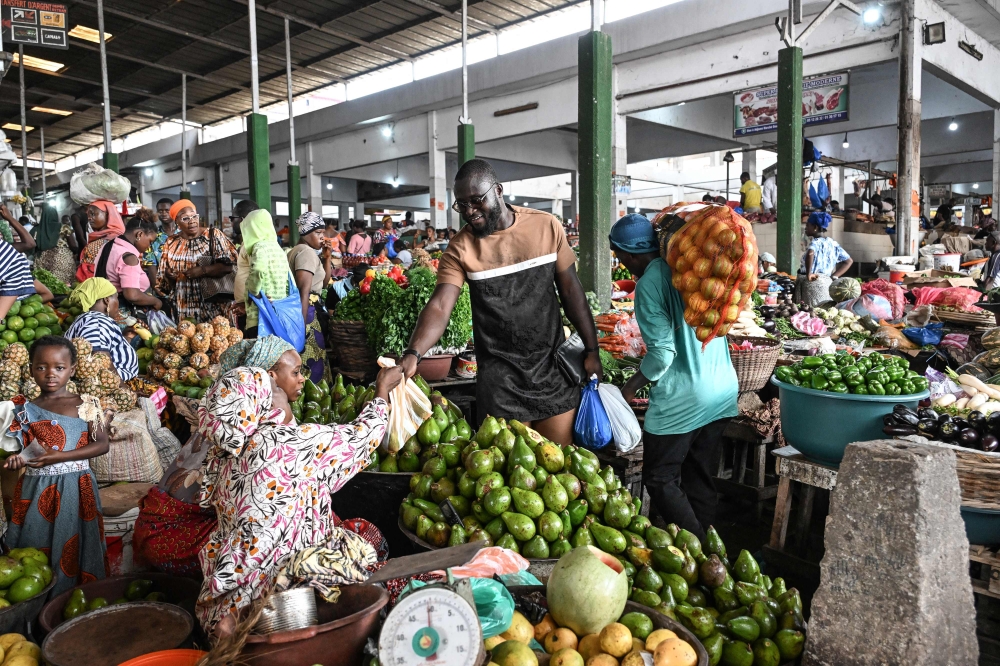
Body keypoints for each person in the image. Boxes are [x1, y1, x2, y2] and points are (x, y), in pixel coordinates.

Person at [399, 158, 601, 446]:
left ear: (498, 191)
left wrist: (592, 349)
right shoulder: (460, 248)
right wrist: (413, 353)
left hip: (553, 372)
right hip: (501, 380)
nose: (470, 211)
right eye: (462, 204)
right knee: (509, 473)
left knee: (560, 466)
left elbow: (572, 292)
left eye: (476, 200)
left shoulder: (546, 227)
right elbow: (440, 306)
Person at [195, 362, 402, 636]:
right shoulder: (282, 445)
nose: (277, 390)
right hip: (281, 596)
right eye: (269, 389)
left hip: (234, 584)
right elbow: (361, 438)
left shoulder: (221, 456)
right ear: (259, 402)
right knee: (366, 551)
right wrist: (382, 390)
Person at [133, 336, 305, 576]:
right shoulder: (267, 414)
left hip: (154, 530)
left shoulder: (228, 409)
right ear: (270, 377)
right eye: (296, 372)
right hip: (173, 539)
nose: (302, 379)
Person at [611, 214, 737, 540]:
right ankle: (711, 553)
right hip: (721, 389)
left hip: (686, 396)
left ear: (630, 253)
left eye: (619, 254)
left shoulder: (649, 284)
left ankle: (699, 552)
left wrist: (629, 388)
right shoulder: (689, 268)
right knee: (700, 477)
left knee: (661, 478)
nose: (621, 262)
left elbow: (663, 354)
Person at [3, 336, 110, 594]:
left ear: (72, 370)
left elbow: (102, 444)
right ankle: (38, 599)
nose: (50, 374)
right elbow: (28, 452)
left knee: (74, 539)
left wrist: (58, 456)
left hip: (76, 485)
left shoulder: (88, 404)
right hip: (36, 487)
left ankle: (73, 597)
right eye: (41, 367)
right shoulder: (24, 410)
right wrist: (17, 459)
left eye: (59, 368)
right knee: (35, 542)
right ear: (30, 369)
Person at [156, 201, 238, 322]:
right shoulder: (171, 242)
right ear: (176, 221)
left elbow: (230, 267)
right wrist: (170, 276)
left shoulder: (213, 235)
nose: (192, 221)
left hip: (215, 305)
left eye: (194, 216)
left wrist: (202, 270)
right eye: (185, 218)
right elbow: (163, 284)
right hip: (184, 307)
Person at [287, 212, 334, 383]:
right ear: (306, 233)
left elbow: (323, 283)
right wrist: (301, 328)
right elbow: (304, 291)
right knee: (312, 362)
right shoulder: (306, 253)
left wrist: (326, 258)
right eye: (318, 233)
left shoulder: (298, 250)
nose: (323, 237)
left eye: (323, 233)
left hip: (307, 311)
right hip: (308, 314)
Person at [64, 278, 139, 382]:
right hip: (111, 387)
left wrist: (126, 337)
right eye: (116, 298)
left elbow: (101, 345)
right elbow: (99, 357)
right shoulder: (97, 322)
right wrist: (123, 387)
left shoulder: (88, 319)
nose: (117, 303)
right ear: (107, 300)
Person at [232, 209, 288, 337]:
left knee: (259, 350)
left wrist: (253, 291)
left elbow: (258, 269)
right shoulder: (278, 249)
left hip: (259, 315)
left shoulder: (259, 247)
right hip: (277, 310)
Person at [95, 216, 163, 314]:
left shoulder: (108, 246)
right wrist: (156, 301)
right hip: (123, 312)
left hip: (103, 307)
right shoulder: (129, 258)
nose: (150, 246)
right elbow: (132, 295)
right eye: (150, 241)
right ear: (139, 234)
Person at [797, 211, 853, 306]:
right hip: (826, 283)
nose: (805, 228)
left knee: (810, 311)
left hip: (812, 284)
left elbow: (810, 253)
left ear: (815, 227)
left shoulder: (816, 242)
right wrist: (834, 276)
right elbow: (849, 261)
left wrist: (809, 274)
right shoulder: (833, 243)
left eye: (808, 225)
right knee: (822, 310)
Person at [77, 200, 126, 283]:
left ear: (108, 215)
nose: (89, 218)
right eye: (88, 215)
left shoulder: (96, 245)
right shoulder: (124, 238)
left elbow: (87, 275)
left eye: (93, 214)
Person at [33, 204, 77, 285]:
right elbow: (73, 246)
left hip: (41, 261)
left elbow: (32, 245)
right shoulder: (64, 227)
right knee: (64, 287)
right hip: (61, 259)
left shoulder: (36, 229)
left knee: (46, 286)